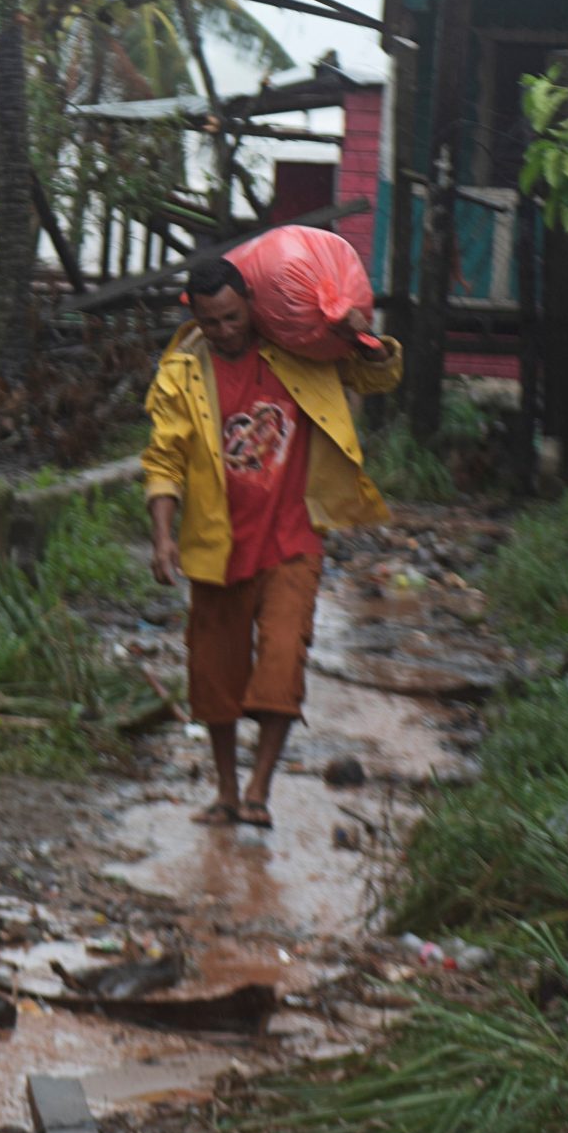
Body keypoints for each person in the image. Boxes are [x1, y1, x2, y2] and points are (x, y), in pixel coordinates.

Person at [143, 257, 402, 829]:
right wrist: (162, 539)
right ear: (196, 317)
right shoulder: (181, 373)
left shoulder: (298, 353)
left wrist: (361, 335)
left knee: (283, 662)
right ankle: (227, 793)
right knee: (214, 675)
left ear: (251, 307)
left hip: (293, 541)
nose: (224, 330)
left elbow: (373, 375)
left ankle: (259, 790)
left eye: (233, 317)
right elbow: (163, 460)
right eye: (211, 322)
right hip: (217, 545)